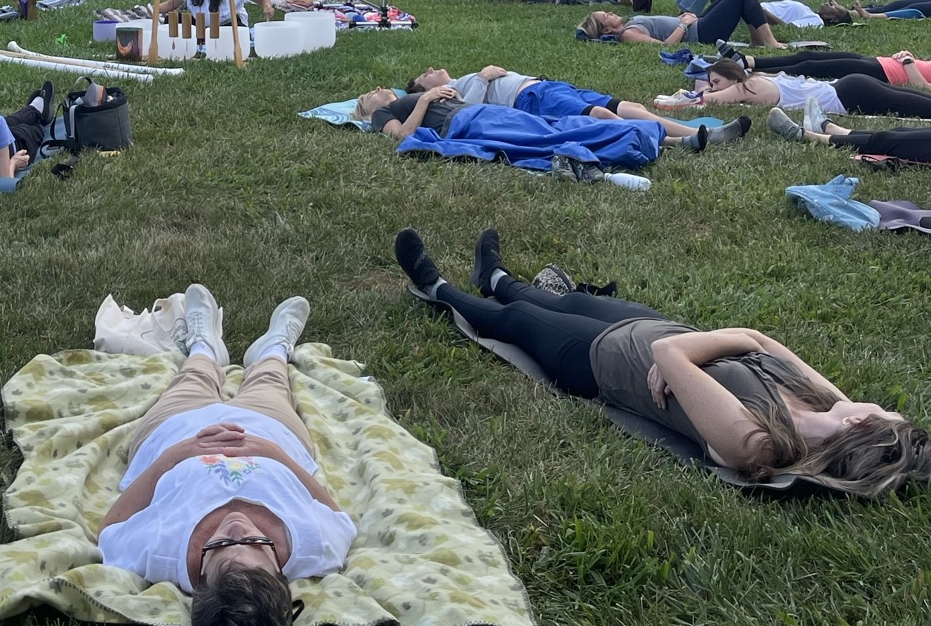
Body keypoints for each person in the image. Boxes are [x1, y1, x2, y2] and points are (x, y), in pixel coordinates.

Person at [394, 225, 931, 493]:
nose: (880, 404)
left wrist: (707, 349)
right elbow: (750, 340)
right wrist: (703, 352)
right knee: (558, 300)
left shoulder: (757, 442)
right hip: (657, 328)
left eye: (887, 412)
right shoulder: (829, 401)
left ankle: (438, 288)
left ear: (863, 424)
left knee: (515, 325)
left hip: (603, 361)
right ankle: (497, 278)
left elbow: (683, 352)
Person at [97, 285, 355, 626]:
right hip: (270, 431)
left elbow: (109, 530)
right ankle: (273, 349)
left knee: (191, 379)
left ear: (200, 578)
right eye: (256, 544)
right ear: (281, 571)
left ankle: (204, 346)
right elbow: (338, 514)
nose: (236, 528)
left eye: (217, 546)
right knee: (271, 382)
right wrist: (273, 453)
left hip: (176, 430)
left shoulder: (162, 552)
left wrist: (177, 454)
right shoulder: (316, 544)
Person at [354, 74, 736, 153]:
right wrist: (425, 99)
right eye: (367, 96)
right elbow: (402, 136)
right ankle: (668, 140)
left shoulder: (429, 92)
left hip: (481, 113)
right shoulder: (384, 112)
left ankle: (671, 138)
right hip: (470, 121)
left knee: (574, 125)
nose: (375, 90)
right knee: (565, 132)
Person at [660, 54, 931, 131]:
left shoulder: (747, 87)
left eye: (717, 82)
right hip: (851, 86)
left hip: (852, 94)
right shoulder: (760, 79)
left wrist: (687, 97)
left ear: (733, 79)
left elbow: (701, 100)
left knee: (923, 108)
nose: (713, 88)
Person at [578, 0, 787, 49]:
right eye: (606, 15)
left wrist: (678, 19)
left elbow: (658, 27)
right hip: (700, 33)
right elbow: (666, 47)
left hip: (696, 24)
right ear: (606, 29)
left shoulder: (630, 23)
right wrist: (683, 24)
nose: (610, 12)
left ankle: (759, 39)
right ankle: (767, 41)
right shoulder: (628, 34)